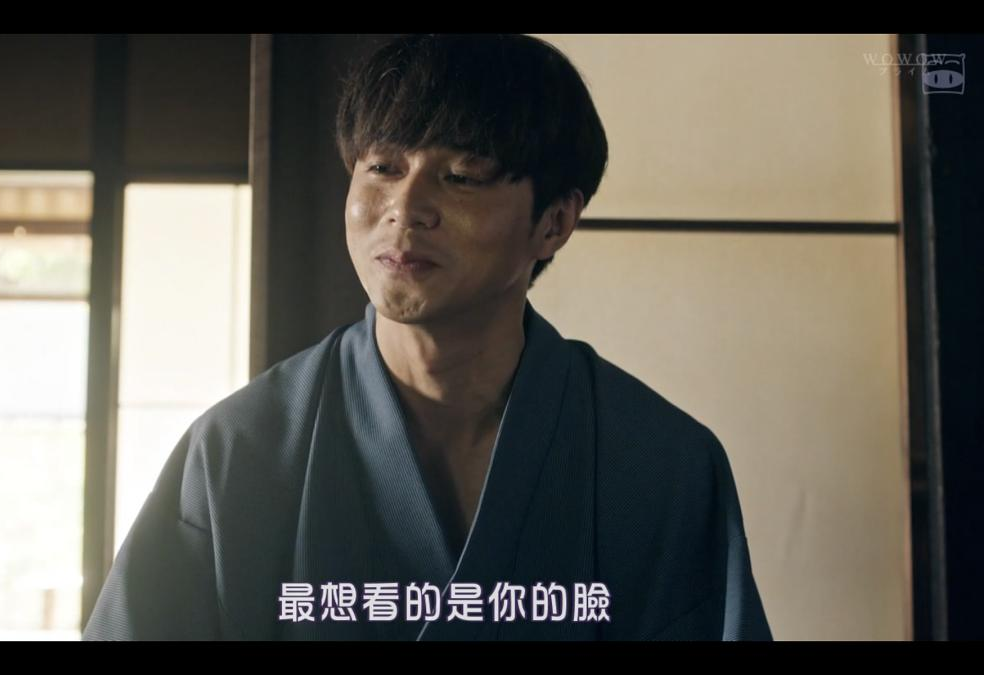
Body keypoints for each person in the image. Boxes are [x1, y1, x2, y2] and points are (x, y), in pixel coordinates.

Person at [83, 33, 772, 641]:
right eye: (383, 167)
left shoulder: (659, 464)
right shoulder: (243, 450)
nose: (406, 209)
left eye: (462, 176)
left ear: (554, 222)